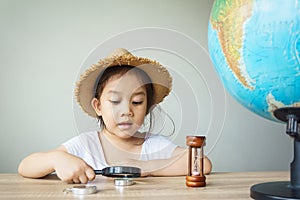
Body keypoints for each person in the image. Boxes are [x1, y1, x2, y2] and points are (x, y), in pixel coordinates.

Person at [18, 48, 212, 184]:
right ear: (98, 106)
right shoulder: (85, 145)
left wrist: (144, 167)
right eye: (115, 101)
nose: (126, 111)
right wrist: (56, 159)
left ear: (147, 108)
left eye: (136, 102)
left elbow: (202, 163)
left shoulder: (153, 146)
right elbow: (25, 166)